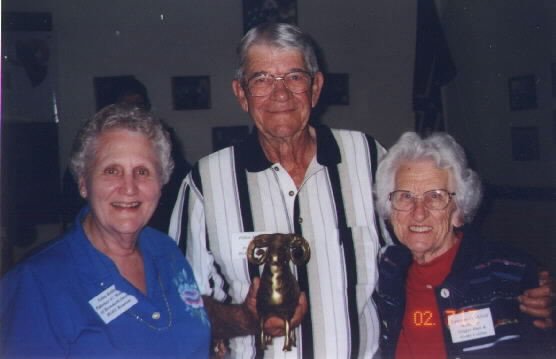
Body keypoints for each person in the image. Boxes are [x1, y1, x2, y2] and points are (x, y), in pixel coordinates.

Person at [168, 23, 553, 358]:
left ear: (316, 88)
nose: (280, 93)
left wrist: (519, 286)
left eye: (294, 77)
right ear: (241, 93)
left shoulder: (367, 157)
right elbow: (180, 304)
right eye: (262, 79)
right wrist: (241, 319)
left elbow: (430, 237)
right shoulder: (205, 183)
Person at [0, 104, 211, 358]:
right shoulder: (35, 283)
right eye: (112, 171)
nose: (129, 188)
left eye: (142, 172)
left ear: (161, 182)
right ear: (83, 183)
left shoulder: (167, 253)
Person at [373, 132, 553, 358]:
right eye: (405, 196)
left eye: (435, 197)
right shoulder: (385, 269)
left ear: (458, 210)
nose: (419, 213)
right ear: (390, 211)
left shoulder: (508, 274)